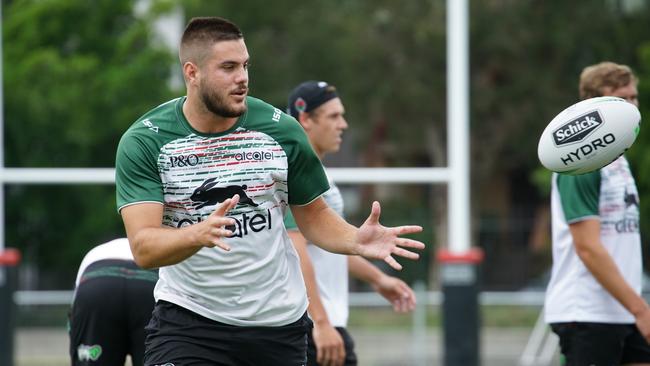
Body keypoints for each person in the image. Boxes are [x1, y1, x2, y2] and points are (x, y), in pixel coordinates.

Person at [114, 17, 425, 366]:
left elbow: (315, 217)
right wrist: (195, 234)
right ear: (192, 72)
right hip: (189, 322)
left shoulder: (282, 132)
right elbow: (143, 248)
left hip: (276, 329)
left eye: (245, 66)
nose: (242, 78)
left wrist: (355, 239)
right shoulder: (145, 142)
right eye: (228, 67)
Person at [284, 80, 417, 366]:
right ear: (305, 119)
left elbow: (334, 245)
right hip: (311, 326)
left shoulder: (321, 176)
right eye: (333, 116)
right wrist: (320, 322)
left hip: (326, 323)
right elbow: (296, 248)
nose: (343, 124)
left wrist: (378, 279)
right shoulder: (293, 175)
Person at [544, 61, 650, 366]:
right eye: (622, 99)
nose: (632, 107)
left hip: (625, 310)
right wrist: (641, 310)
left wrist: (635, 308)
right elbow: (588, 248)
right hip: (587, 312)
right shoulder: (579, 162)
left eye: (634, 97)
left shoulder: (619, 159)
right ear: (595, 106)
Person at [69, 237, 158, 366]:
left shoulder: (98, 251)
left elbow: (73, 322)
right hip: (150, 280)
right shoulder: (159, 248)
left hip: (97, 282)